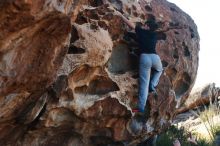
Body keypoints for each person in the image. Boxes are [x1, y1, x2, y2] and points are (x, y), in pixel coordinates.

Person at [113, 0, 164, 113]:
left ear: (146, 26)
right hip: (155, 58)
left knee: (143, 84)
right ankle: (153, 84)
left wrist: (121, 16)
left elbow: (130, 24)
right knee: (159, 70)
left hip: (145, 58)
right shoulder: (154, 35)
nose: (143, 25)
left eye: (144, 24)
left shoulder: (141, 31)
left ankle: (141, 107)